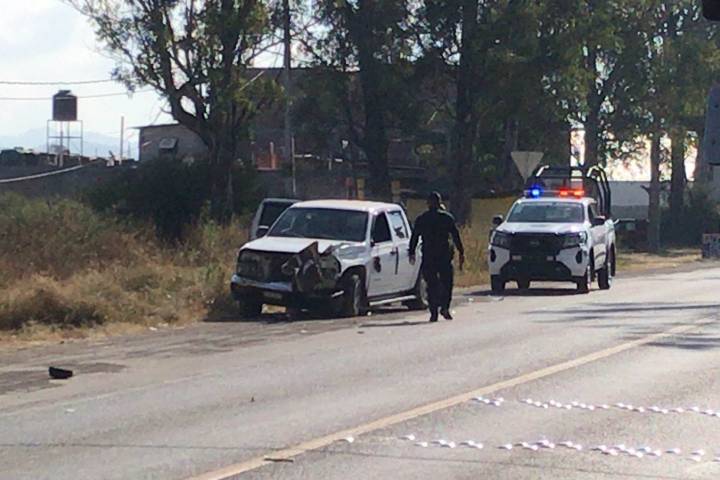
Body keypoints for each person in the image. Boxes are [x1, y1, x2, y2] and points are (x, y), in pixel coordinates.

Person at [409, 192, 465, 322]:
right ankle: (444, 307)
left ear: (428, 203)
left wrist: (411, 252)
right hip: (444, 256)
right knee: (447, 283)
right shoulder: (447, 218)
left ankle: (433, 311)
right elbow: (455, 236)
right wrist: (461, 252)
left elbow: (414, 237)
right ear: (440, 203)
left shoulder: (422, 219)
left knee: (431, 285)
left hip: (429, 256)